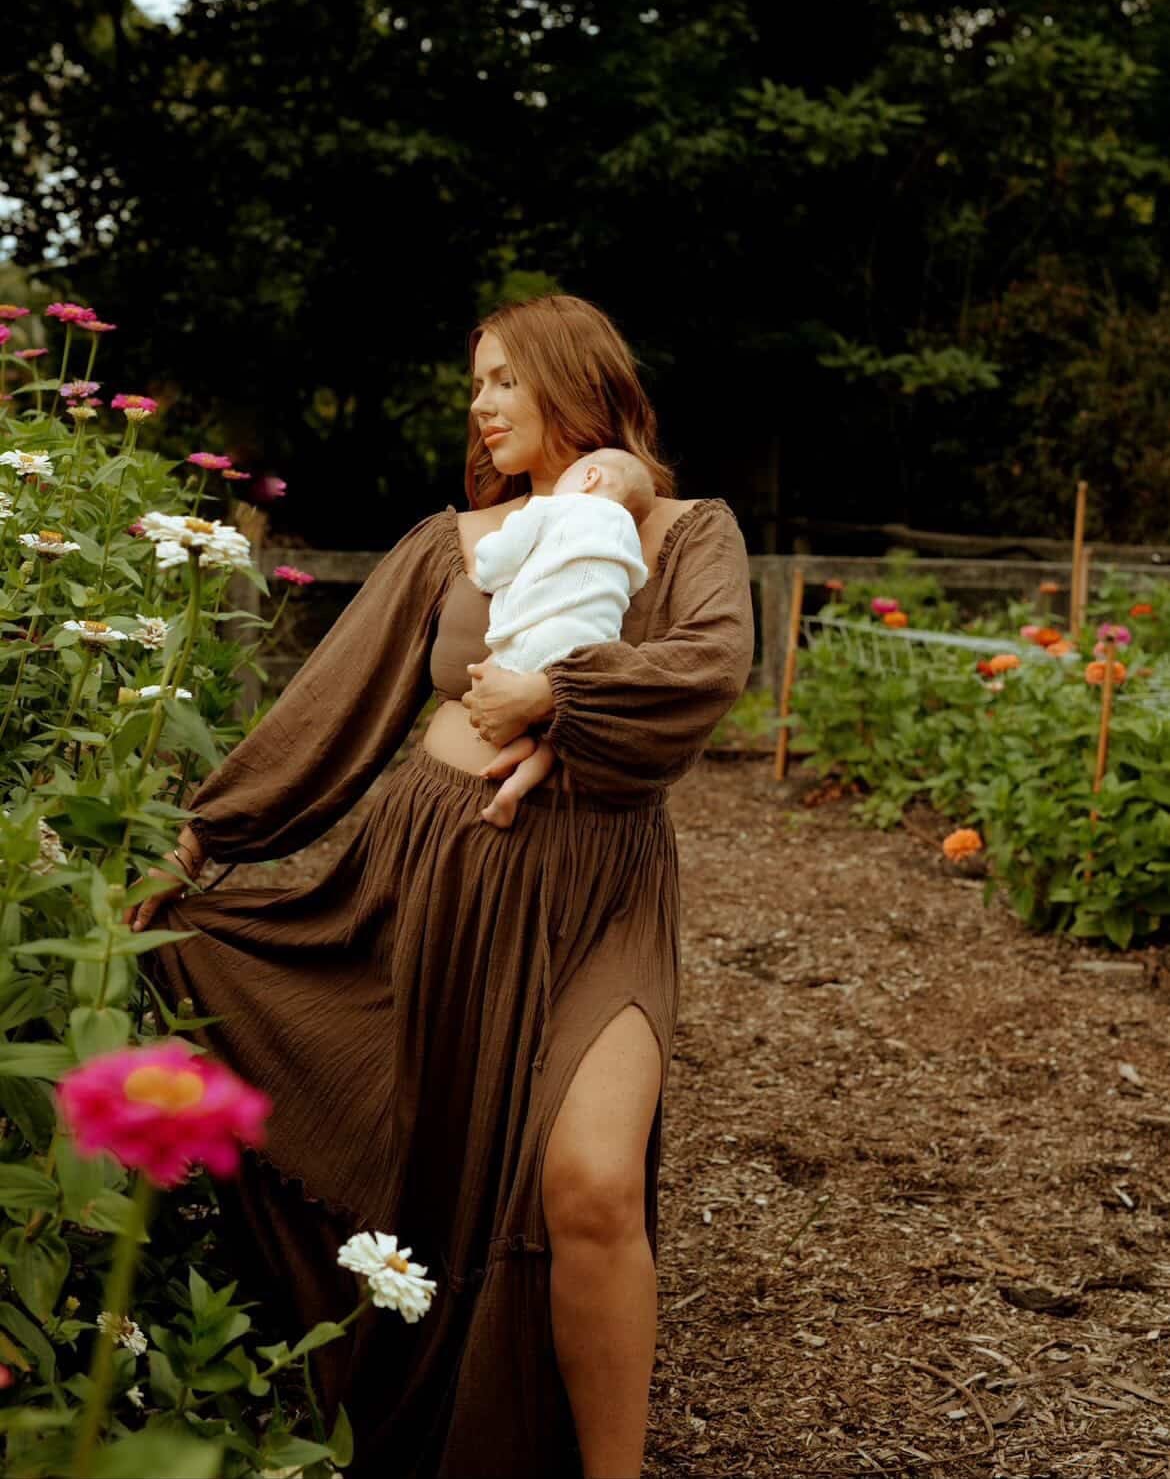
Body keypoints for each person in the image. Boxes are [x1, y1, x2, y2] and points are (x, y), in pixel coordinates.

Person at [132, 294, 754, 1479]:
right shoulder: (452, 543)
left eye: (506, 378)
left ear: (576, 378)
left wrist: (557, 698)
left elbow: (708, 668)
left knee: (591, 1181)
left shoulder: (687, 532)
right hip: (426, 883)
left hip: (598, 891)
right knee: (421, 1165)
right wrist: (197, 849)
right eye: (476, 382)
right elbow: (325, 717)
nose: (481, 403)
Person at [473, 445, 655, 829]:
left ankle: (511, 741)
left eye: (566, 477)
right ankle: (514, 789)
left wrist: (485, 561)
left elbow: (501, 559)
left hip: (539, 637)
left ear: (590, 478)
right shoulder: (629, 536)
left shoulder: (550, 508)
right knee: (558, 732)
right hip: (590, 655)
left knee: (489, 672)